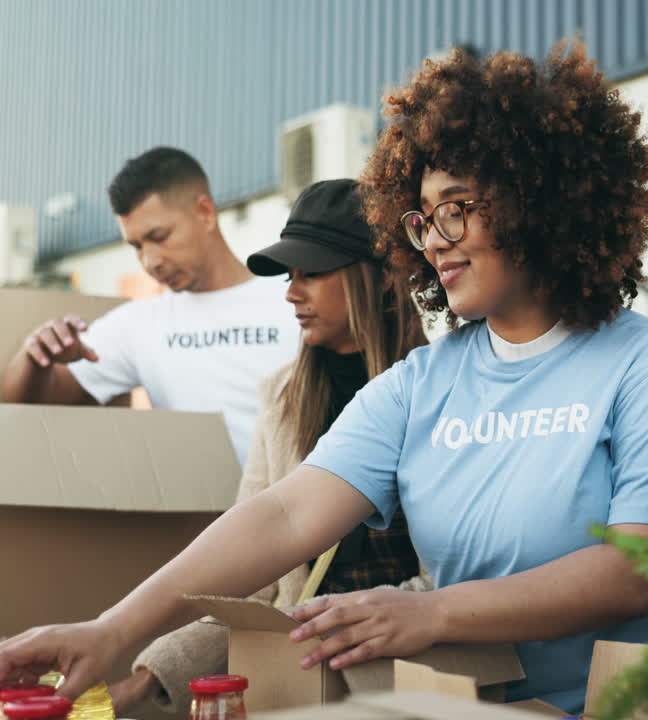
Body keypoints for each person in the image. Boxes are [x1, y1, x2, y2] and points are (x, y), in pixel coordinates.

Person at [0, 44, 648, 714]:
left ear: (544, 201)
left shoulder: (647, 362)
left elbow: (640, 567)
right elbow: (283, 514)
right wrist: (113, 629)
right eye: (422, 218)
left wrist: (430, 612)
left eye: (457, 209)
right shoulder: (423, 382)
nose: (434, 239)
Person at [108, 179, 431, 714]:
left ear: (380, 278)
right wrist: (144, 681)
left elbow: (462, 577)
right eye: (288, 275)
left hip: (418, 678)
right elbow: (249, 588)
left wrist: (371, 616)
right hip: (298, 678)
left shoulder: (443, 391)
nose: (290, 292)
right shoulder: (283, 399)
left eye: (312, 273)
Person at [0, 147, 298, 465]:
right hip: (197, 513)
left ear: (205, 212)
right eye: (136, 245)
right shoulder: (140, 324)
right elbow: (25, 406)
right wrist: (36, 357)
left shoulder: (294, 301)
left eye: (160, 236)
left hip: (306, 510)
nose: (150, 261)